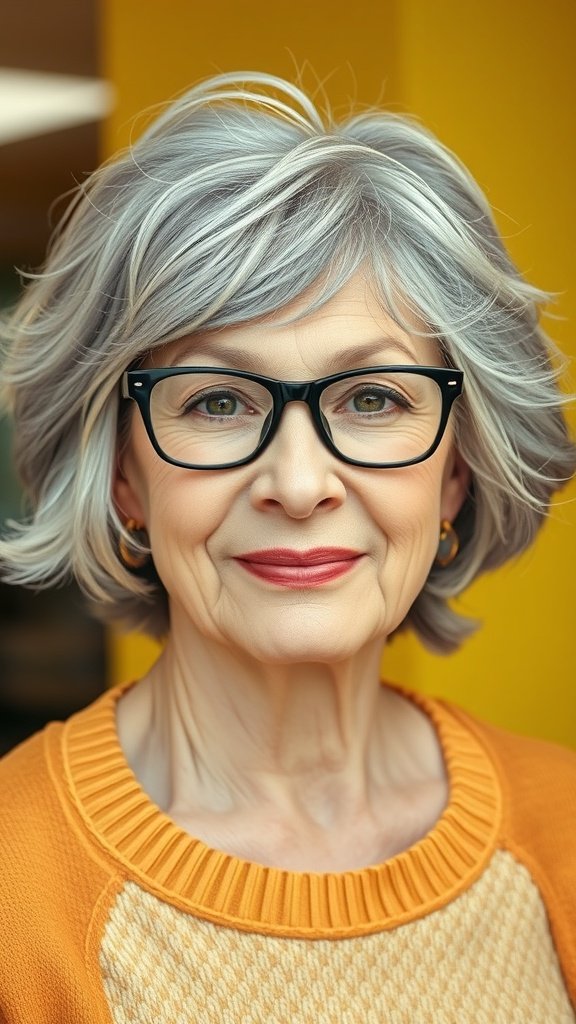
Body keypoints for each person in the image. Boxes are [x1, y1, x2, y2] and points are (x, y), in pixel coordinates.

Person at [0, 71, 575, 1023]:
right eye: (218, 403)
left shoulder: (562, 827)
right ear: (124, 477)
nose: (300, 485)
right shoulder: (16, 883)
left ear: (458, 473)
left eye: (375, 399)